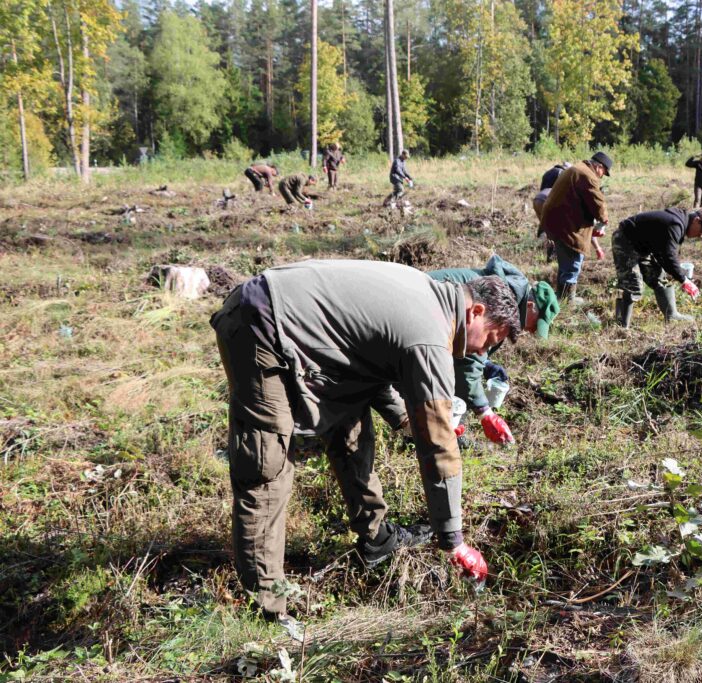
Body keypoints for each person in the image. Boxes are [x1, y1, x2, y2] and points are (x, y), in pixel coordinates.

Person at [211, 260, 519, 624]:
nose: (481, 353)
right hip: (260, 325)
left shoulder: (428, 295)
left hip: (294, 323)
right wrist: (454, 541)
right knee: (267, 469)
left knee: (350, 421)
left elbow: (372, 365)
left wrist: (405, 419)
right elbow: (438, 446)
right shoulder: (431, 333)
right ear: (476, 312)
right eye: (490, 339)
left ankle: (376, 538)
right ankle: (266, 608)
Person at [374, 255, 560, 448]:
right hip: (403, 324)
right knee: (423, 380)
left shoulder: (504, 295)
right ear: (529, 307)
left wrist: (486, 365)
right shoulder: (501, 300)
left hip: (412, 324)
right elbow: (466, 363)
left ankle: (431, 433)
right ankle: (425, 437)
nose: (532, 331)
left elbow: (468, 348)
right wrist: (485, 412)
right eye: (535, 324)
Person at [612, 208, 702, 328]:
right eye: (701, 231)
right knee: (633, 284)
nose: (700, 235)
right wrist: (684, 280)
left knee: (657, 276)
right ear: (696, 220)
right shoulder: (675, 224)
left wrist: (680, 275)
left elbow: (665, 254)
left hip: (642, 246)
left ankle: (672, 315)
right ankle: (622, 326)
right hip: (625, 240)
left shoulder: (679, 222)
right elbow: (669, 257)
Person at [540, 151, 612, 305]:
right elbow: (598, 203)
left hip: (557, 222)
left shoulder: (577, 168)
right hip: (567, 225)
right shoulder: (588, 175)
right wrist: (603, 221)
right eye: (603, 172)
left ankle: (561, 297)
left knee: (565, 263)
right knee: (573, 261)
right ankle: (568, 301)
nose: (602, 176)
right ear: (599, 167)